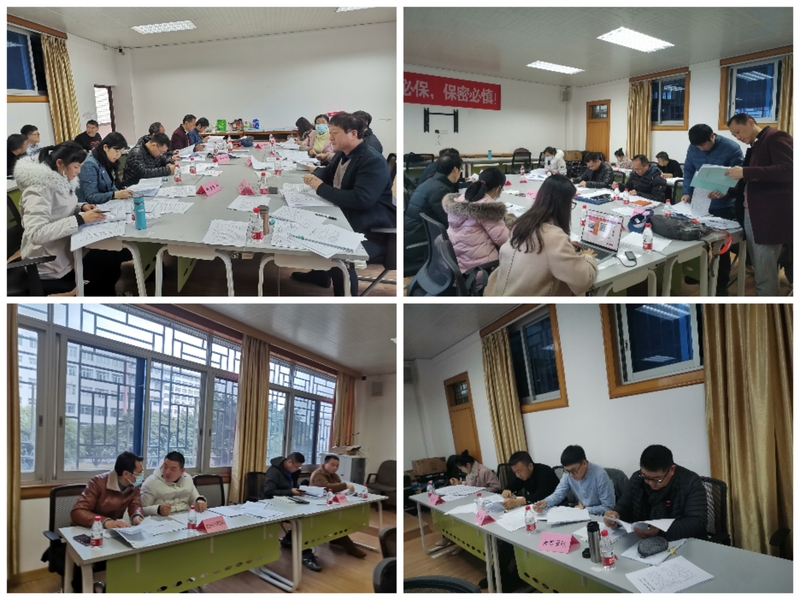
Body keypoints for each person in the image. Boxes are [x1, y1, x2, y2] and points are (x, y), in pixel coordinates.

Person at [296, 112, 395, 296]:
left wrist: (320, 188)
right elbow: (328, 173)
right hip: (347, 215)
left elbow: (361, 199)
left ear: (353, 134)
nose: (330, 137)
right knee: (309, 224)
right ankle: (320, 276)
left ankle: (347, 299)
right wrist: (313, 176)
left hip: (371, 227)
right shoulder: (343, 153)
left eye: (335, 133)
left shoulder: (371, 160)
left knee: (335, 251)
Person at [15, 142, 132, 296]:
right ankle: (95, 295)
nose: (79, 171)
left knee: (111, 259)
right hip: (48, 261)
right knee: (107, 264)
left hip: (67, 250)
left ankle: (103, 293)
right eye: (76, 166)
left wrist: (81, 207)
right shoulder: (37, 191)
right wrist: (80, 219)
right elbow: (36, 233)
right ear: (60, 163)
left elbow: (61, 208)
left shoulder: (62, 181)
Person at [485, 174, 597, 296]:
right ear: (563, 204)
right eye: (570, 202)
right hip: (529, 305)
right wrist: (587, 257)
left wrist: (566, 245)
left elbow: (540, 252)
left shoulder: (522, 223)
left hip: (497, 293)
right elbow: (583, 281)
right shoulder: (554, 237)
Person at [725, 113, 792, 296]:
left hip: (768, 216)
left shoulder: (775, 137)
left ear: (750, 122)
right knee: (759, 266)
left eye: (738, 132)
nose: (738, 137)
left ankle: (768, 304)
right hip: (752, 212)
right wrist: (728, 191)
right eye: (734, 135)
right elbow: (753, 182)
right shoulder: (756, 144)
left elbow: (789, 169)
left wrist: (745, 172)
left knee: (764, 272)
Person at [69, 451, 144, 592]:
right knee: (86, 566)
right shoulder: (98, 482)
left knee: (130, 555)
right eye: (139, 473)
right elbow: (78, 511)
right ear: (126, 474)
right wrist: (106, 522)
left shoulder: (134, 484)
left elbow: (136, 504)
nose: (142, 476)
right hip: (87, 531)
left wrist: (136, 516)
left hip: (111, 533)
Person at [682, 124, 744, 295]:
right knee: (699, 241)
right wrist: (686, 192)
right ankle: (699, 273)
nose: (700, 149)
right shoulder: (693, 147)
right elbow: (688, 169)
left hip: (723, 204)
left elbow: (739, 179)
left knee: (721, 247)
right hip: (700, 201)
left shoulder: (731, 148)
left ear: (712, 136)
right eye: (697, 146)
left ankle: (721, 283)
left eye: (703, 145)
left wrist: (726, 191)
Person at [603, 445, 706, 542]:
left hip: (682, 542)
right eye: (646, 477)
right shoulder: (637, 479)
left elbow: (697, 522)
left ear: (672, 470)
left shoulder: (690, 482)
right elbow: (625, 505)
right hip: (641, 541)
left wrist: (660, 532)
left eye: (657, 479)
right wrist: (615, 515)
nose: (651, 484)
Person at [443, 167, 511, 272]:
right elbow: (505, 241)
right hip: (479, 270)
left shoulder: (461, 199)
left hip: (454, 262)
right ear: (498, 188)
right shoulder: (488, 208)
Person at [262, 452, 321, 572]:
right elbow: (268, 492)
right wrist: (291, 492)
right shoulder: (273, 471)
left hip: (289, 502)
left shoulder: (292, 471)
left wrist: (299, 491)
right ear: (289, 462)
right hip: (272, 504)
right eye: (296, 466)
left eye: (299, 467)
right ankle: (306, 554)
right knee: (303, 519)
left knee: (309, 514)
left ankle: (289, 539)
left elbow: (292, 486)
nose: (297, 469)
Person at [404, 153, 463, 269]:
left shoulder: (430, 183)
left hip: (412, 234)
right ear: (455, 169)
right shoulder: (440, 190)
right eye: (461, 169)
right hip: (419, 240)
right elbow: (449, 222)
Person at [309, 456, 367, 558]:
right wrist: (345, 485)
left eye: (337, 466)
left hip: (330, 505)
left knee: (343, 517)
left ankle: (337, 538)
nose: (335, 468)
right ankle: (350, 547)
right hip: (316, 508)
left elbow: (339, 488)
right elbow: (328, 487)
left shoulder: (334, 475)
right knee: (336, 522)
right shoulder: (318, 474)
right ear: (325, 464)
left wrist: (346, 489)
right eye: (332, 465)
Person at [533, 445, 615, 515]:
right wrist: (545, 502)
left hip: (600, 517)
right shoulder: (568, 474)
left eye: (574, 471)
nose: (571, 475)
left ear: (584, 463)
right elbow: (558, 494)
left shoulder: (600, 475)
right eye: (567, 471)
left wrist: (584, 510)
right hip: (580, 513)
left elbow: (608, 507)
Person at [140, 451, 208, 516]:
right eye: (165, 467)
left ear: (182, 471)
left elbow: (194, 498)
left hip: (184, 516)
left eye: (173, 469)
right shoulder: (151, 483)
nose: (167, 472)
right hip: (161, 519)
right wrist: (158, 510)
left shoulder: (187, 479)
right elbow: (140, 510)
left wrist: (200, 501)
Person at [77, 132, 134, 205]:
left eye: (121, 152)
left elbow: (110, 187)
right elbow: (91, 197)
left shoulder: (107, 160)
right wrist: (114, 195)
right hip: (89, 207)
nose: (118, 155)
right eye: (116, 151)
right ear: (105, 147)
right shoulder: (89, 164)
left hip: (105, 204)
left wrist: (121, 193)